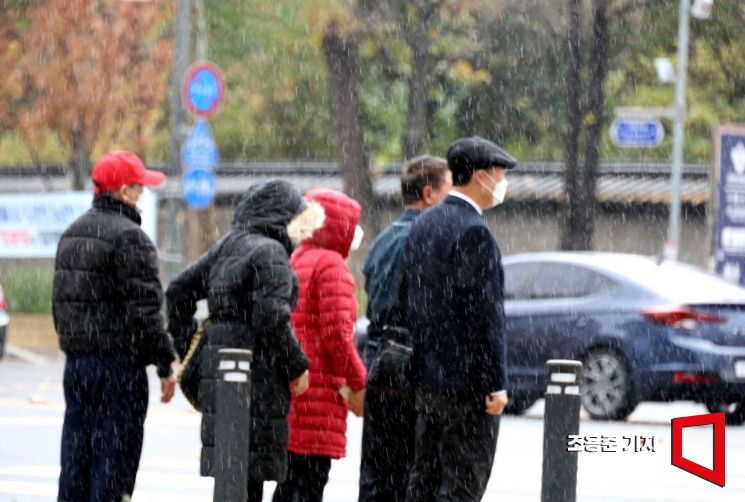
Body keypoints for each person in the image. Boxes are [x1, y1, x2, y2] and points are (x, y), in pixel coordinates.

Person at [166, 180, 316, 502]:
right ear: (282, 217)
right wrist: (296, 365)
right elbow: (272, 316)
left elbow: (177, 292)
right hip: (258, 377)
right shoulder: (270, 252)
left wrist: (197, 348)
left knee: (232, 475)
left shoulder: (228, 245)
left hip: (224, 373)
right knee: (250, 477)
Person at [53, 151, 177, 502]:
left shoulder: (71, 234)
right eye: (140, 188)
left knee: (76, 463)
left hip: (77, 366)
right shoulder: (130, 238)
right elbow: (147, 312)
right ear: (124, 191)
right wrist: (166, 363)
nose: (143, 196)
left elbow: (60, 307)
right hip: (119, 370)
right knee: (113, 466)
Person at [403, 136, 515, 502]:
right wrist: (494, 382)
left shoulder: (423, 224)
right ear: (481, 176)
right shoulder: (475, 232)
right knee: (462, 484)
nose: (501, 183)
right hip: (466, 388)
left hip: (428, 379)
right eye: (499, 175)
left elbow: (412, 301)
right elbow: (484, 316)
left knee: (424, 481)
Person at [358, 155, 452, 502]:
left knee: (377, 470)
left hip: (379, 359)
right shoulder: (426, 238)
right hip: (409, 365)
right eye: (449, 188)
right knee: (411, 472)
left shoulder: (384, 238)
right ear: (429, 194)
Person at [273, 188, 368, 502]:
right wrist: (358, 381)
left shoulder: (298, 257)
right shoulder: (331, 266)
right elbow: (337, 337)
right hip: (320, 396)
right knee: (307, 486)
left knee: (291, 486)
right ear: (338, 225)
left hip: (296, 393)